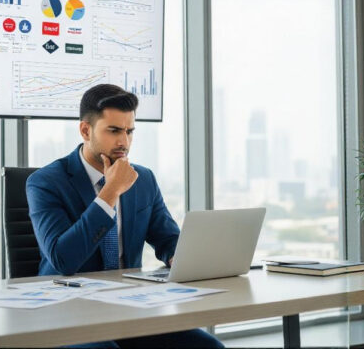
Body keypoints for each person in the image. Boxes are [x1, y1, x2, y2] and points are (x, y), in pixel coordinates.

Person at [26, 84, 223, 348]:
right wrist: (111, 191)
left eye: (130, 131)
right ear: (85, 130)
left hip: (128, 306)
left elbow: (167, 238)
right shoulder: (45, 182)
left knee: (209, 347)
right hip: (66, 310)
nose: (124, 142)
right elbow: (64, 260)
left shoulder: (143, 179)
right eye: (114, 131)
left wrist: (179, 256)